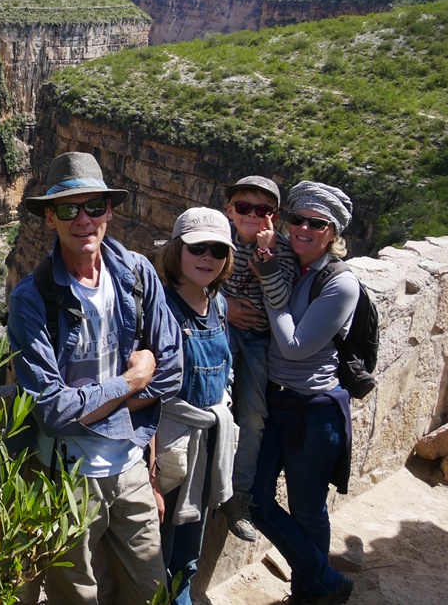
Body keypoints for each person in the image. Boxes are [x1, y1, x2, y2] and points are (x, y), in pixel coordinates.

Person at [9, 151, 184, 605]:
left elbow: (171, 375)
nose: (82, 219)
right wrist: (129, 383)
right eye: (68, 208)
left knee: (151, 592)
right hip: (68, 479)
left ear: (109, 210)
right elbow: (50, 411)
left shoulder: (139, 275)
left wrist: (92, 408)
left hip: (130, 469)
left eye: (93, 207)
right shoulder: (33, 299)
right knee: (81, 598)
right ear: (50, 216)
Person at [249, 181, 358, 605]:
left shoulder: (340, 283)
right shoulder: (294, 266)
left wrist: (266, 283)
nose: (303, 229)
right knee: (255, 500)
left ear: (332, 233)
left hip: (314, 411)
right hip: (277, 402)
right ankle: (326, 582)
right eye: (297, 219)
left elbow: (295, 347)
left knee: (308, 509)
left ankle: (309, 593)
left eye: (317, 223)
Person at [153, 208, 238, 605]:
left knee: (189, 548)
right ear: (177, 251)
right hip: (171, 452)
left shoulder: (217, 304)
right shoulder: (161, 310)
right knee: (160, 550)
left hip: (207, 444)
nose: (207, 257)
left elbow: (227, 369)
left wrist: (225, 406)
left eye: (217, 250)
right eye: (197, 247)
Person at [220, 177, 298, 541]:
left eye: (262, 210)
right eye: (244, 207)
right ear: (230, 210)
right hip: (219, 330)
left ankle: (239, 495)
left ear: (275, 217)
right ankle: (203, 483)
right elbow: (187, 279)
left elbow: (280, 299)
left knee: (253, 416)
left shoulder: (281, 250)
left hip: (257, 340)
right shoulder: (216, 239)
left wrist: (264, 260)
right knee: (213, 404)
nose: (252, 215)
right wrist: (226, 308)